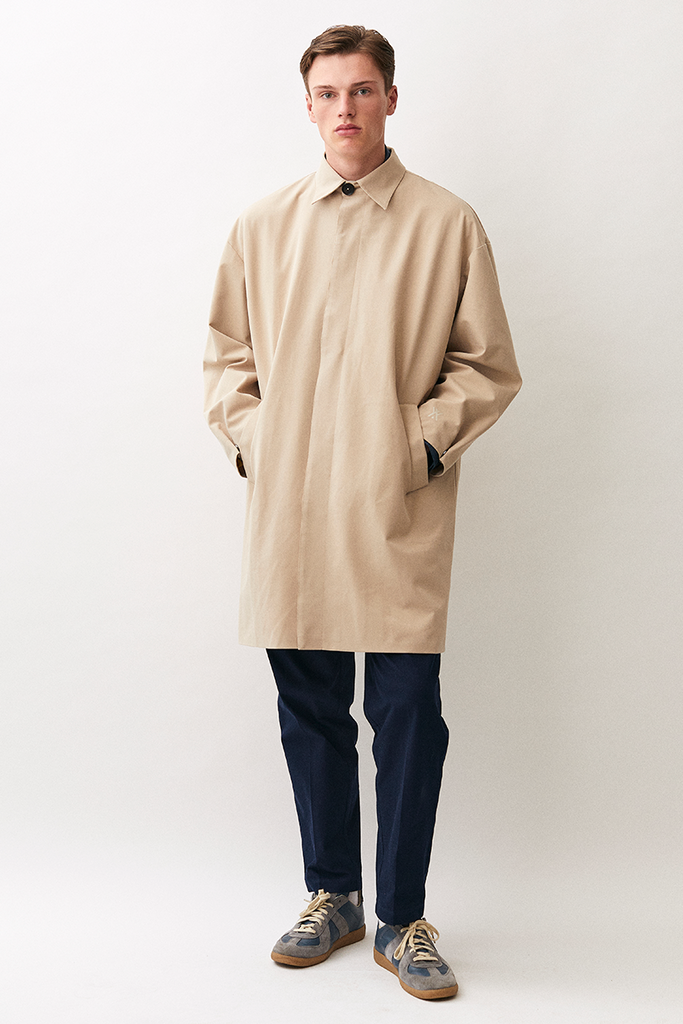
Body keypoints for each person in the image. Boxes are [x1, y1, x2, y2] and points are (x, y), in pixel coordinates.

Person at [204, 25, 521, 1001]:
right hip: (293, 512)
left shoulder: (445, 224)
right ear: (307, 106)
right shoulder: (262, 226)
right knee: (308, 712)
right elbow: (227, 360)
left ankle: (402, 916)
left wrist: (413, 448)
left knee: (407, 714)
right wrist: (261, 443)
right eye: (328, 92)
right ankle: (332, 895)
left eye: (362, 89)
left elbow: (485, 365)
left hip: (393, 511)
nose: (345, 107)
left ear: (390, 98)